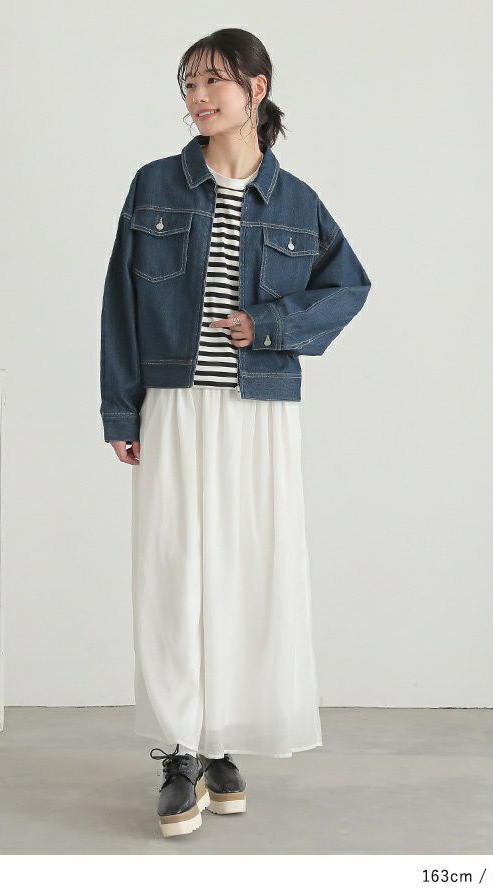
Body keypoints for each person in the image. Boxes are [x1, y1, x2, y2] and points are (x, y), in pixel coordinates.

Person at [99, 28, 372, 838]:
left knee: (251, 573)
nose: (198, 97)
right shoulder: (155, 185)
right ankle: (180, 751)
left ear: (257, 88)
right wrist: (121, 410)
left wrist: (271, 324)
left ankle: (224, 743)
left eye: (213, 81)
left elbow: (348, 286)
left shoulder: (296, 202)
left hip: (261, 410)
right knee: (174, 574)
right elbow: (119, 305)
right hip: (175, 403)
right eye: (188, 84)